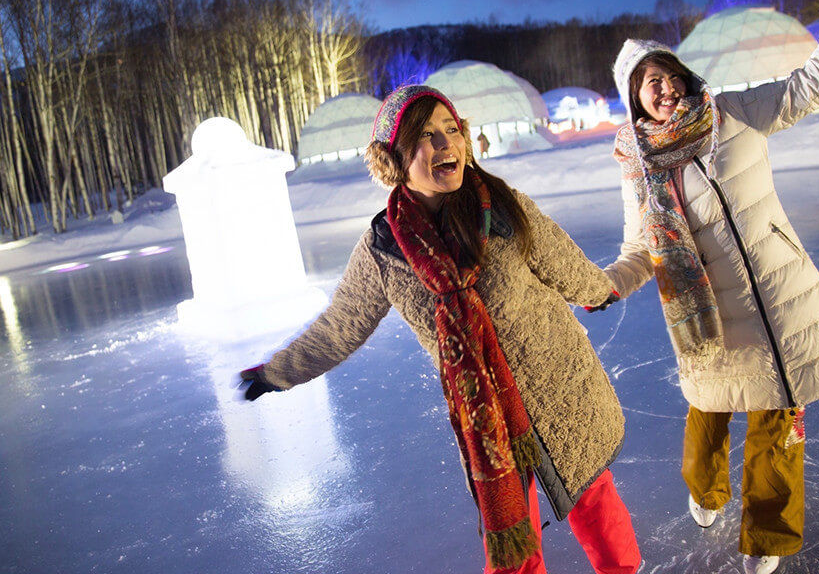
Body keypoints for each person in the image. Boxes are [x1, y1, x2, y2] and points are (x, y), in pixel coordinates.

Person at [238, 84, 640, 574]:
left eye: (452, 129)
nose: (446, 143)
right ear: (395, 160)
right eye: (427, 136)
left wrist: (600, 291)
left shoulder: (503, 206)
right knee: (512, 539)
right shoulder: (385, 249)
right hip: (487, 416)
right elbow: (340, 325)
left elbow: (561, 262)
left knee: (593, 498)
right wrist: (276, 372)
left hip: (560, 386)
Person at [603, 0, 819, 574]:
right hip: (706, 314)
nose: (660, 89)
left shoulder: (733, 111)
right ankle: (705, 492)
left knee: (778, 417)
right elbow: (638, 250)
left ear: (681, 75)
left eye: (664, 75)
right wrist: (606, 283)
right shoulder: (641, 168)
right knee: (709, 414)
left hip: (780, 295)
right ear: (635, 104)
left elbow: (812, 81)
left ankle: (769, 537)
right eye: (645, 85)